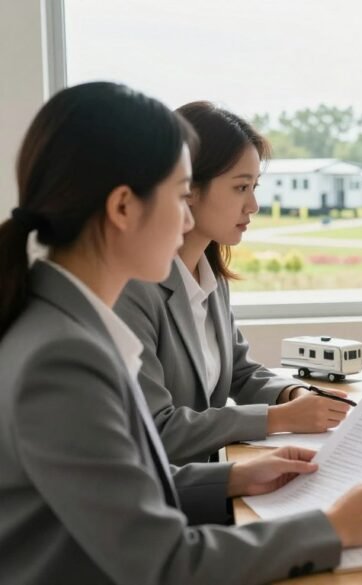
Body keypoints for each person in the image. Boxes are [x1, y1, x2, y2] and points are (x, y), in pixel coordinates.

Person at [0, 82, 362, 584]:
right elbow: (164, 561)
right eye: (179, 195)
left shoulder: (62, 324)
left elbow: (118, 485)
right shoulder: (62, 358)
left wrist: (235, 475)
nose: (187, 215)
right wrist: (333, 527)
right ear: (124, 208)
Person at [115, 101, 348, 464]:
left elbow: (239, 371)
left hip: (208, 478)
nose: (253, 205)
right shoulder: (132, 289)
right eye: (241, 187)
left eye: (254, 186)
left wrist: (293, 393)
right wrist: (278, 419)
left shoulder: (210, 276)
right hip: (166, 494)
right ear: (188, 187)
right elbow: (157, 429)